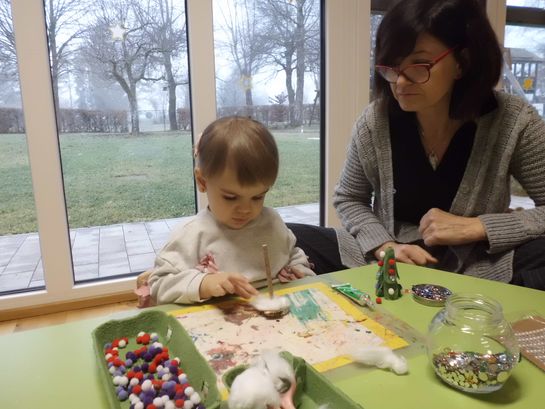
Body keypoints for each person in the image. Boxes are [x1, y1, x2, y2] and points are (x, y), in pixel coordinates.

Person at [292, 0, 545, 290]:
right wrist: (384, 246)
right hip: (390, 260)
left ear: (462, 62)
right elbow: (349, 198)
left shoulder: (513, 121)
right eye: (392, 66)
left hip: (480, 263)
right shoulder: (375, 121)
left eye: (419, 65)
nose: (400, 82)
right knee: (283, 236)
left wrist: (479, 227)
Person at [141, 116, 315, 305]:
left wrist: (300, 270)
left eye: (258, 197)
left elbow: (292, 254)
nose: (246, 209)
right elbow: (159, 284)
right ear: (202, 181)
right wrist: (203, 283)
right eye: (231, 197)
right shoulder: (191, 235)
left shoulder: (272, 222)